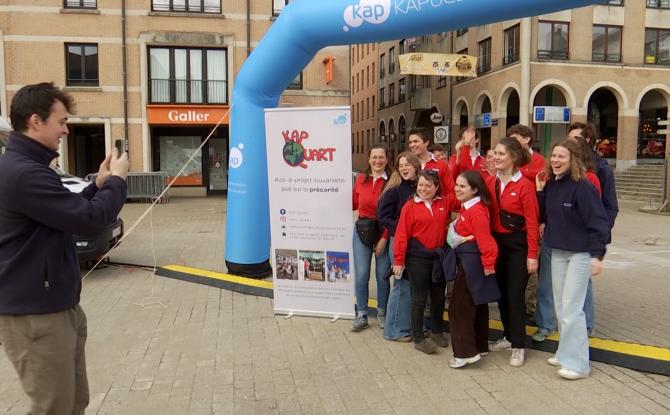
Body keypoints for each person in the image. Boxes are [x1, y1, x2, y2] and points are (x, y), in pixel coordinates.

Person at [0, 82, 128, 414]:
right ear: (35, 121)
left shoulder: (32, 169)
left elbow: (61, 209)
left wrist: (96, 185)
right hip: (36, 315)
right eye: (61, 121)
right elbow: (90, 221)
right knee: (53, 407)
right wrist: (117, 181)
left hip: (55, 307)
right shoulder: (24, 173)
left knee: (73, 402)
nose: (66, 130)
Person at [536, 140, 609, 380]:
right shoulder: (552, 185)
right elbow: (544, 214)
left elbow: (599, 222)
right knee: (561, 305)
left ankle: (579, 365)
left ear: (573, 160)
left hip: (580, 253)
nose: (556, 161)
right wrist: (539, 190)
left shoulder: (583, 187)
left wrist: (598, 255)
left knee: (572, 308)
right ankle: (565, 352)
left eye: (561, 157)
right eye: (553, 156)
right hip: (557, 251)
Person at [486, 137, 540, 367]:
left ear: (514, 157)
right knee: (501, 295)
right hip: (497, 244)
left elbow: (532, 222)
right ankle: (508, 337)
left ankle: (519, 344)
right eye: (495, 153)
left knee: (515, 295)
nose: (496, 157)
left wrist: (532, 255)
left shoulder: (525, 185)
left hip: (519, 246)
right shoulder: (491, 181)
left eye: (500, 154)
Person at [392, 171, 455, 354]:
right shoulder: (409, 207)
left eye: (428, 185)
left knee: (438, 297)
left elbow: (460, 193)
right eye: (420, 185)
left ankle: (436, 330)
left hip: (438, 257)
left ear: (436, 187)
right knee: (419, 298)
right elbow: (402, 234)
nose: (423, 189)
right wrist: (398, 260)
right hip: (417, 258)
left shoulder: (444, 202)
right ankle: (418, 337)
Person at [448, 170, 500, 368]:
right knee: (476, 305)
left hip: (472, 263)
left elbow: (486, 241)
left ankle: (465, 353)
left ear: (475, 189)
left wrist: (488, 265)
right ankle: (479, 346)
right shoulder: (470, 208)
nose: (457, 189)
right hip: (472, 261)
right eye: (457, 185)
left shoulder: (476, 211)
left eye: (462, 186)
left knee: (459, 308)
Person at [377, 151, 421, 342]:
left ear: (416, 166)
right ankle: (393, 330)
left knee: (411, 286)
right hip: (399, 241)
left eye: (407, 164)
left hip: (417, 242)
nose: (404, 168)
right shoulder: (394, 189)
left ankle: (407, 326)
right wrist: (401, 230)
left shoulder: (421, 186)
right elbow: (384, 216)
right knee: (401, 285)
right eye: (401, 165)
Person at [352, 143, 393, 331]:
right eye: (374, 157)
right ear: (368, 159)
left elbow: (392, 213)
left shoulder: (392, 181)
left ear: (386, 159)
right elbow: (353, 201)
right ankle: (361, 314)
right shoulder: (360, 179)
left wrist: (384, 238)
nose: (377, 161)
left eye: (381, 157)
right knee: (361, 275)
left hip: (383, 231)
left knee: (383, 276)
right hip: (362, 229)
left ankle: (382, 313)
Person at [407, 128, 456, 208]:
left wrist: (442, 206)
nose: (412, 145)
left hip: (437, 213)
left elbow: (451, 191)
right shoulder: (406, 165)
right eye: (410, 142)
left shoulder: (441, 165)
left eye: (415, 141)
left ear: (426, 142)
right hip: (413, 212)